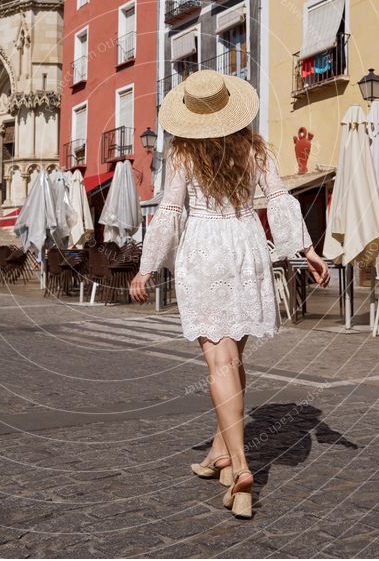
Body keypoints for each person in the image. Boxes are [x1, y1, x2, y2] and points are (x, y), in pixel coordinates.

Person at [130, 70, 329, 519]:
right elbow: (279, 199)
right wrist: (307, 251)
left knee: (219, 363)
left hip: (204, 250)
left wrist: (146, 268)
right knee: (234, 359)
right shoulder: (254, 148)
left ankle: (241, 465)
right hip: (246, 247)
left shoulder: (182, 153)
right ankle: (220, 454)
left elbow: (170, 212)